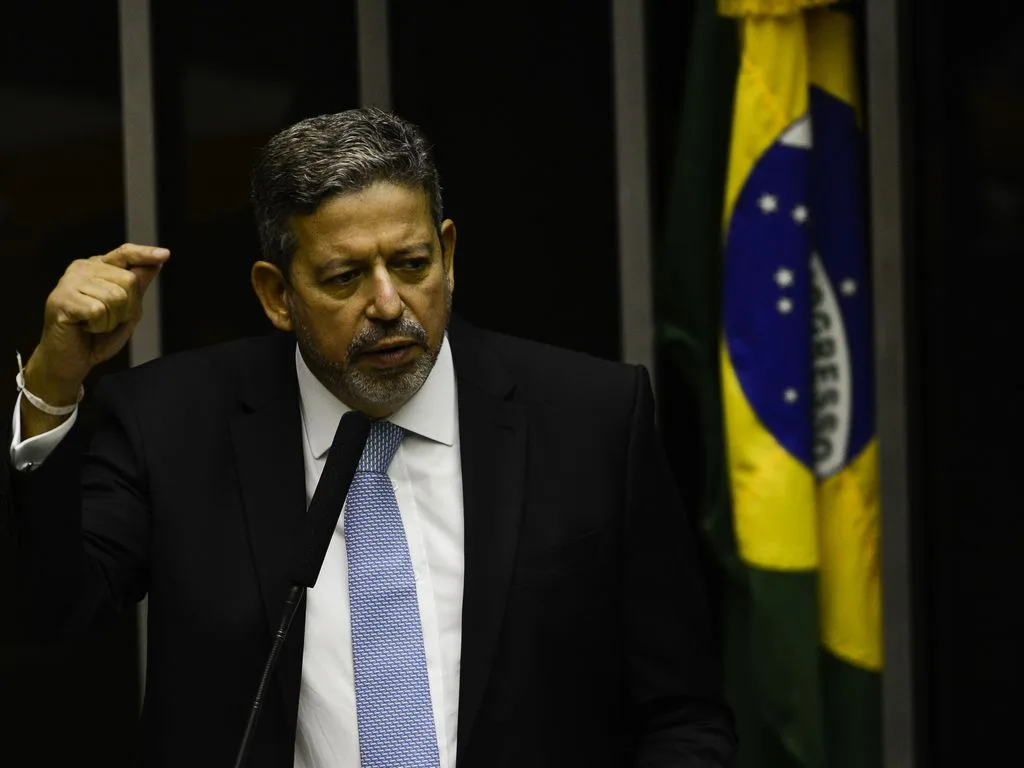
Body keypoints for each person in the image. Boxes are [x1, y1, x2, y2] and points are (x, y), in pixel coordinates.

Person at [3, 108, 736, 767]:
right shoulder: (173, 424)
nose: (388, 304)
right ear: (275, 294)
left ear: (448, 252)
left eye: (413, 265)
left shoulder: (591, 419)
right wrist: (52, 387)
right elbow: (50, 611)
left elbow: (684, 715)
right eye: (345, 277)